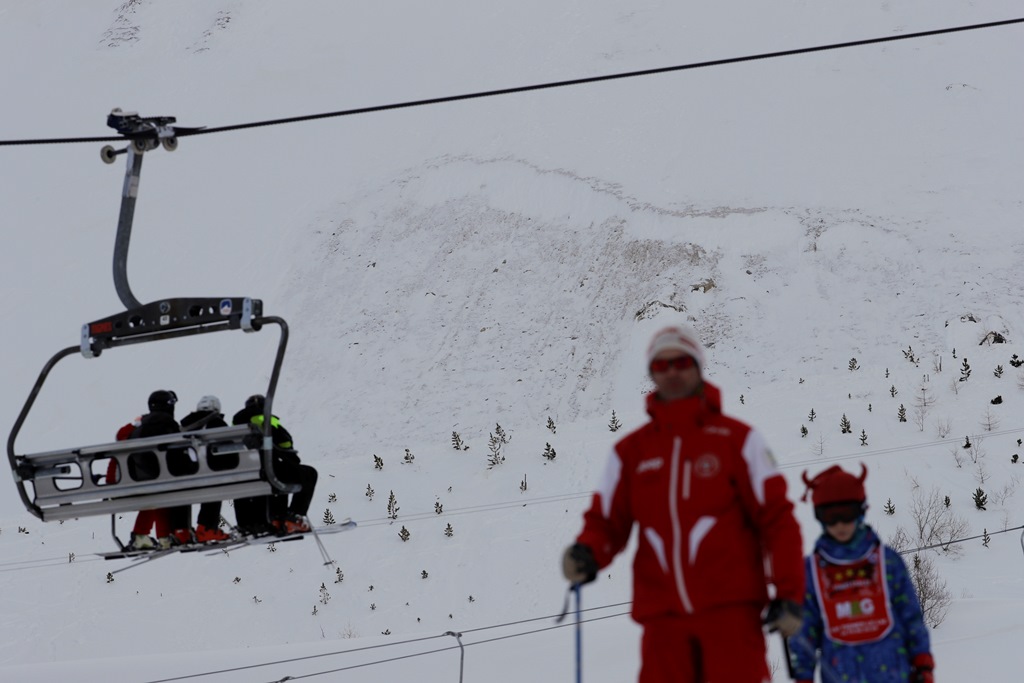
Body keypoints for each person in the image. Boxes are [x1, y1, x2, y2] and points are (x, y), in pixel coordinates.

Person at [561, 325, 805, 683]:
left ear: (698, 366)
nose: (672, 371)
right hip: (662, 621)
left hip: (731, 615)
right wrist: (587, 551)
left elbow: (778, 520)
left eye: (681, 362)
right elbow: (606, 521)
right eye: (661, 366)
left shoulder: (738, 440)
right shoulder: (631, 452)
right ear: (651, 374)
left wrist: (789, 594)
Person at [790, 465, 935, 683]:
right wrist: (803, 676)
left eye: (847, 514)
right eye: (830, 516)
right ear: (819, 517)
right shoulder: (811, 571)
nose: (840, 524)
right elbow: (804, 631)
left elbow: (910, 615)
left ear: (861, 510)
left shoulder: (886, 562)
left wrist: (922, 661)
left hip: (894, 675)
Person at [232, 394, 317, 535]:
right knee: (307, 473)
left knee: (273, 475)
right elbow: (285, 442)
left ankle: (258, 523)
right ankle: (291, 518)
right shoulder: (266, 419)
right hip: (268, 471)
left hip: (244, 474)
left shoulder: (234, 424)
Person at [127, 389, 193, 548]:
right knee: (181, 489)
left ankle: (145, 535)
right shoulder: (166, 423)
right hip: (162, 473)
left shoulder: (141, 425)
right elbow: (176, 450)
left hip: (140, 476)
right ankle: (179, 531)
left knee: (156, 498)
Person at [108, 414, 170, 551]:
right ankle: (158, 536)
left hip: (116, 483)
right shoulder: (138, 440)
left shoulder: (125, 439)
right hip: (125, 484)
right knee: (157, 498)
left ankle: (142, 535)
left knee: (153, 499)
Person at [179, 395, 232, 543]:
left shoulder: (184, 425)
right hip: (209, 473)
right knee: (216, 483)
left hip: (184, 473)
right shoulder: (217, 423)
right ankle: (207, 527)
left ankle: (181, 530)